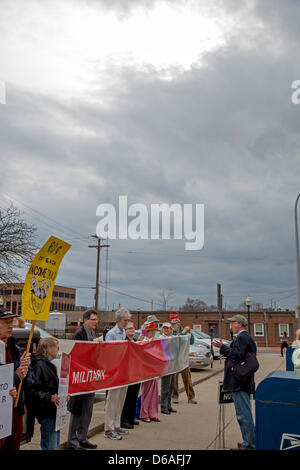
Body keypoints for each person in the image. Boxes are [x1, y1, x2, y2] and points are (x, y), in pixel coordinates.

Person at [213, 314, 257, 450]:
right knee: (243, 414)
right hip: (241, 381)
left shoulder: (242, 337)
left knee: (244, 414)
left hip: (240, 382)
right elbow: (238, 352)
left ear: (239, 324)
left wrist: (223, 348)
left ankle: (249, 444)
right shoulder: (243, 338)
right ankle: (247, 442)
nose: (231, 325)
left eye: (233, 323)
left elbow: (238, 355)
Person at [67, 309, 102, 450]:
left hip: (90, 377)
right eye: (93, 319)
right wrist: (93, 343)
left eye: (97, 319)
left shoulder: (93, 333)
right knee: (77, 409)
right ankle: (72, 441)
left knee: (88, 409)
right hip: (79, 378)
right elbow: (77, 353)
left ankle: (82, 436)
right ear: (86, 320)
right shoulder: (79, 334)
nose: (96, 322)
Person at [0, 307, 32, 450]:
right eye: (6, 322)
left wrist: (26, 368)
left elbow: (30, 380)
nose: (10, 326)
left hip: (15, 409)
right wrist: (16, 375)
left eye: (12, 322)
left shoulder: (15, 347)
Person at [104, 308, 132, 440]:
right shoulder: (111, 334)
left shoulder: (122, 333)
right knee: (112, 400)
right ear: (119, 320)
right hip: (114, 371)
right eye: (125, 320)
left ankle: (116, 424)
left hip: (122, 371)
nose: (127, 323)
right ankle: (108, 428)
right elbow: (109, 353)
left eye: (128, 320)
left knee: (120, 399)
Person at [30, 337, 62, 450]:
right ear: (46, 348)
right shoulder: (40, 365)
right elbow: (33, 391)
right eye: (55, 346)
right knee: (51, 445)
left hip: (52, 410)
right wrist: (50, 397)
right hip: (47, 411)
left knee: (54, 444)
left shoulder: (47, 364)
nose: (58, 349)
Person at [171, 318, 197, 404]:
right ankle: (174, 396)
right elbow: (176, 340)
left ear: (178, 324)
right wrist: (184, 332)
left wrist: (189, 332)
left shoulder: (185, 332)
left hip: (184, 360)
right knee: (174, 380)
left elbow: (192, 341)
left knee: (187, 379)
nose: (173, 326)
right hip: (174, 360)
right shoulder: (172, 333)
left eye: (174, 324)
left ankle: (191, 397)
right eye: (172, 324)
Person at [120, 322, 141, 429]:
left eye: (133, 328)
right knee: (127, 398)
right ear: (125, 330)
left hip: (136, 373)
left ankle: (131, 417)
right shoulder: (125, 342)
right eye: (129, 328)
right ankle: (124, 420)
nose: (132, 330)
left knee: (134, 396)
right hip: (128, 374)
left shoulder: (136, 341)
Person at [139, 323, 160, 423]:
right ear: (147, 332)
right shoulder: (143, 342)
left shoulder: (156, 341)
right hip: (146, 370)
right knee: (146, 392)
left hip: (154, 370)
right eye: (151, 331)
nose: (153, 333)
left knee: (154, 393)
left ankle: (153, 413)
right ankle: (144, 413)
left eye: (154, 331)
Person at [159, 322, 177, 415]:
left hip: (173, 365)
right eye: (165, 328)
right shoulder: (161, 338)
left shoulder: (174, 338)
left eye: (168, 328)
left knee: (171, 386)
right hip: (166, 366)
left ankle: (169, 405)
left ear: (171, 329)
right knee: (165, 387)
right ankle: (163, 406)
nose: (166, 330)